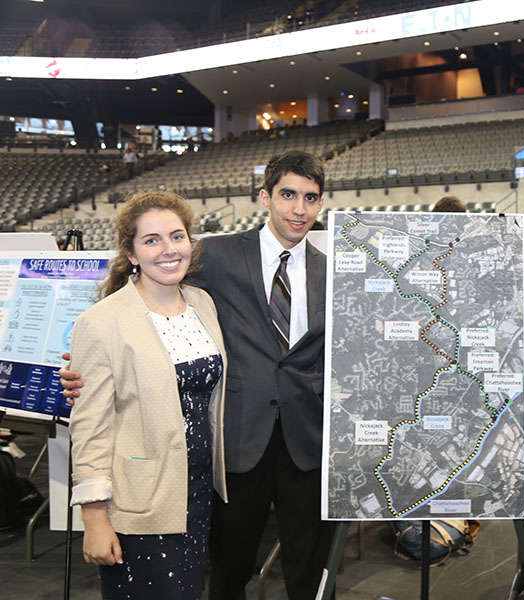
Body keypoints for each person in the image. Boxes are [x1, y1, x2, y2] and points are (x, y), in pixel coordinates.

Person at [62, 150, 333, 600]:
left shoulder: (333, 272)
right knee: (229, 570)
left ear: (321, 203)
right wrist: (81, 366)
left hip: (307, 441)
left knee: (309, 571)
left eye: (310, 197)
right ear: (265, 197)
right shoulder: (215, 255)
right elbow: (140, 301)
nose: (298, 209)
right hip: (234, 444)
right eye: (288, 195)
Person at [68, 191, 227, 600]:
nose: (169, 250)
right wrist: (95, 519)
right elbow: (90, 426)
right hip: (140, 499)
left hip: (196, 491)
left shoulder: (202, 304)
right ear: (132, 253)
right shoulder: (102, 321)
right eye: (152, 240)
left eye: (177, 236)